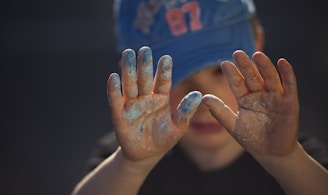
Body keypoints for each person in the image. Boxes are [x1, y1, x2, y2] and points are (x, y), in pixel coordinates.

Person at [72, 0, 328, 194]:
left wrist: (285, 160)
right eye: (174, 75)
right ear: (134, 75)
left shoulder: (297, 160)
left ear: (257, 43)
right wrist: (132, 165)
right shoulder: (124, 161)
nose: (204, 99)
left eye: (221, 70)